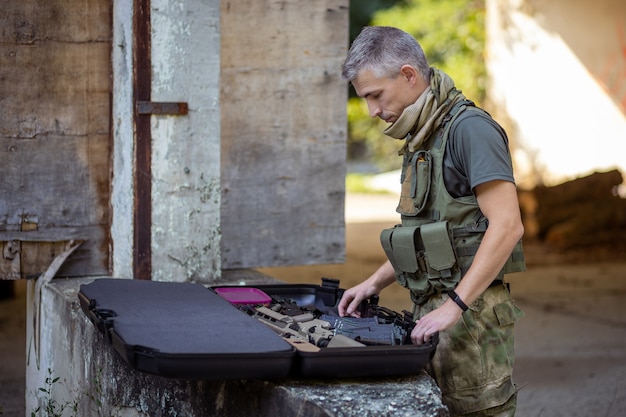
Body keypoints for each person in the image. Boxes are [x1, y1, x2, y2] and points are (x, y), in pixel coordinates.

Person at [338, 26, 526, 417]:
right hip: (436, 317)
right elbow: (429, 237)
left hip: (473, 322)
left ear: (408, 75)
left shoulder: (469, 129)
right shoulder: (423, 136)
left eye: (375, 96)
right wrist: (373, 283)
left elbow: (507, 226)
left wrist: (454, 306)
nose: (372, 111)